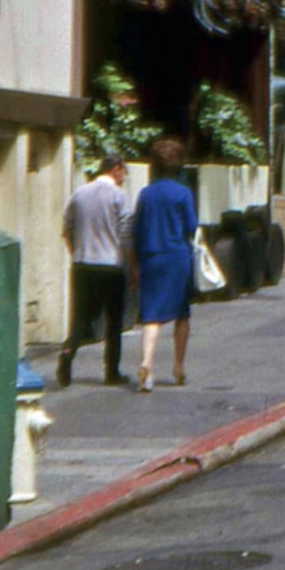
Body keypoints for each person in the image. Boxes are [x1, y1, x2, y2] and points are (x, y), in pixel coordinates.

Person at [58, 153, 135, 387]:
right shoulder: (119, 197)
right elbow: (126, 233)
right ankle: (111, 371)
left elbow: (67, 227)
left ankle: (69, 349)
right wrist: (132, 264)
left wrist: (76, 251)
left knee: (81, 315)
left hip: (82, 264)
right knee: (114, 320)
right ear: (117, 169)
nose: (124, 177)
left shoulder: (79, 194)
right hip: (110, 265)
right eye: (123, 172)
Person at [130, 137, 200, 391]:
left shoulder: (145, 194)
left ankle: (147, 364)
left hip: (151, 257)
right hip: (177, 258)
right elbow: (192, 227)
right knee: (182, 314)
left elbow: (135, 232)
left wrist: (135, 265)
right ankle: (178, 367)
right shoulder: (183, 193)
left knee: (152, 315)